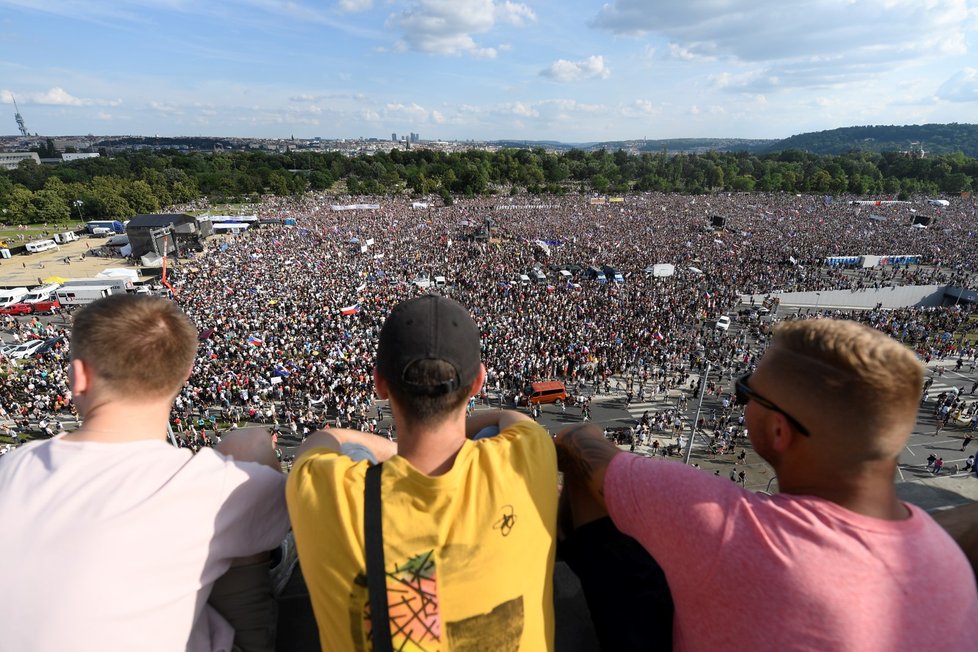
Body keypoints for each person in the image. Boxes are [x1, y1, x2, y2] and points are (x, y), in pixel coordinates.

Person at [556, 318, 978, 650]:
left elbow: (581, 444)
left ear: (779, 431)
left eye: (746, 392)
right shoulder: (949, 560)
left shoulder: (733, 527)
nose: (742, 398)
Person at [0, 294, 290, 652]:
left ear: (78, 377)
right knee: (250, 442)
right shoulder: (211, 486)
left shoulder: (11, 467)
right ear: (183, 375)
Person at [287, 295, 557, 651]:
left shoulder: (325, 489)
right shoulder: (529, 453)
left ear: (379, 385)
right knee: (490, 436)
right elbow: (510, 420)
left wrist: (400, 452)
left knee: (353, 453)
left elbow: (325, 439)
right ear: (478, 382)